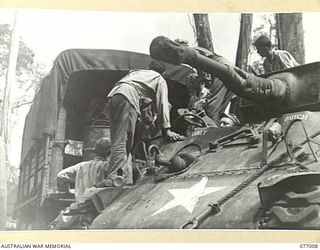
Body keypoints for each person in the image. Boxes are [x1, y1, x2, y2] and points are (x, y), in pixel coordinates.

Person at [106, 60, 184, 184]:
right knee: (124, 141)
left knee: (117, 140)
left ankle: (121, 177)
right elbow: (163, 103)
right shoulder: (159, 79)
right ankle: (115, 178)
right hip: (128, 97)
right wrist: (167, 129)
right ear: (162, 73)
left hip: (113, 96)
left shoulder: (137, 73)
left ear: (149, 68)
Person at [57, 137, 111, 203]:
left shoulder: (80, 166)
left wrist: (67, 192)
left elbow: (61, 175)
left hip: (80, 206)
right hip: (97, 208)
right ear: (109, 152)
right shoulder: (106, 166)